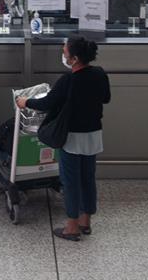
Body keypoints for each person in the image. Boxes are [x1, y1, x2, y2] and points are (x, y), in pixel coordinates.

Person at [16, 36, 111, 242]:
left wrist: (25, 101)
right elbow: (106, 98)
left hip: (72, 137)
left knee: (70, 181)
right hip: (94, 134)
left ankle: (71, 227)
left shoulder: (68, 80)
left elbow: (47, 103)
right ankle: (86, 221)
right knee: (88, 178)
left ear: (75, 58)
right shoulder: (99, 74)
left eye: (65, 52)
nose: (63, 55)